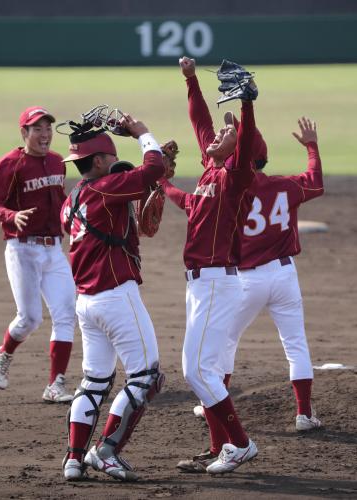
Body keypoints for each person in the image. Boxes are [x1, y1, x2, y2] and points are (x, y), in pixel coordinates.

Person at [159, 56, 259, 475]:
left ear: (239, 151)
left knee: (195, 369)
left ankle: (240, 444)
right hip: (200, 285)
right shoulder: (207, 173)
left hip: (217, 282)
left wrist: (248, 108)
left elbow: (248, 142)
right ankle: (221, 446)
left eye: (227, 133)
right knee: (210, 370)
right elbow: (200, 121)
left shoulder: (235, 178)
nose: (218, 134)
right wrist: (191, 80)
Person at [60, 112, 166, 481]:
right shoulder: (105, 190)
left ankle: (74, 459)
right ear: (101, 161)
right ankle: (106, 452)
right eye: (111, 157)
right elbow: (153, 169)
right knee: (146, 377)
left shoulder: (71, 199)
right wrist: (141, 132)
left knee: (94, 380)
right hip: (116, 298)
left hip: (86, 303)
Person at [222, 116, 324, 431]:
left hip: (246, 281)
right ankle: (304, 414)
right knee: (295, 343)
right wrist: (311, 146)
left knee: (224, 340)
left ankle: (212, 402)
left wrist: (235, 129)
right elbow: (316, 182)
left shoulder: (230, 190)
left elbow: (217, 168)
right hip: (283, 276)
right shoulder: (285, 185)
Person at [0, 106, 76, 403]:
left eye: (47, 128)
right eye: (37, 129)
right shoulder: (12, 163)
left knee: (66, 314)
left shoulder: (57, 162)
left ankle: (55, 384)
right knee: (30, 318)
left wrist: (73, 221)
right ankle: (4, 353)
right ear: (25, 133)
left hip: (53, 250)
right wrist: (11, 216)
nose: (45, 134)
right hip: (22, 249)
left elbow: (60, 201)